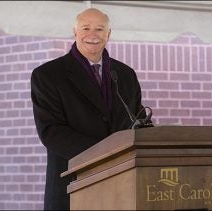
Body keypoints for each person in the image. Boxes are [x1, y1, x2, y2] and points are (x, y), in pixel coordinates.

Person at [30, 8, 148, 210]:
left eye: (100, 29)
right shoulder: (47, 75)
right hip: (73, 185)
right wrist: (106, 154)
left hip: (124, 186)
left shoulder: (126, 74)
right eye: (86, 28)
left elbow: (140, 123)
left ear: (108, 34)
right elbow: (51, 132)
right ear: (75, 32)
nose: (92, 34)